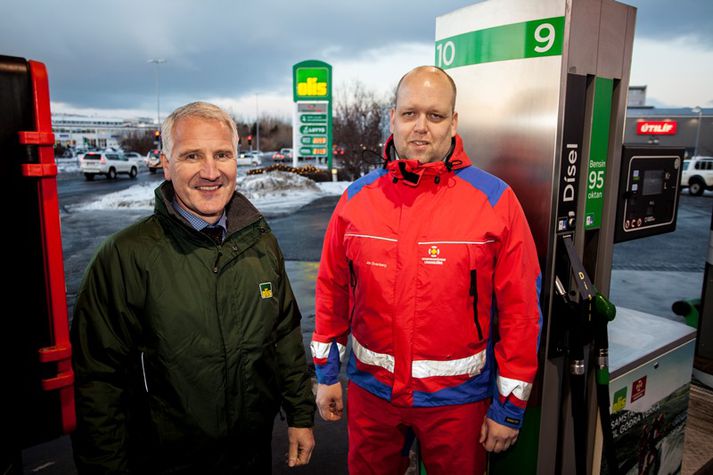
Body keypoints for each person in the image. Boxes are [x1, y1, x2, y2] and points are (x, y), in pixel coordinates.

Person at [311, 66, 541, 474]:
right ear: (392, 117)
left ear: (453, 123)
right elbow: (333, 290)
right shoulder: (356, 199)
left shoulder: (495, 201)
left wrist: (508, 408)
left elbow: (521, 310)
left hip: (459, 404)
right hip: (373, 397)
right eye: (409, 113)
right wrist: (327, 375)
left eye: (435, 116)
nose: (421, 127)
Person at [71, 101, 315, 473]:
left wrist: (300, 414)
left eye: (222, 154)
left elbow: (283, 333)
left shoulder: (260, 242)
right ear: (166, 165)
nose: (211, 171)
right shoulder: (125, 257)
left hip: (251, 456)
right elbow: (97, 385)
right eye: (192, 156)